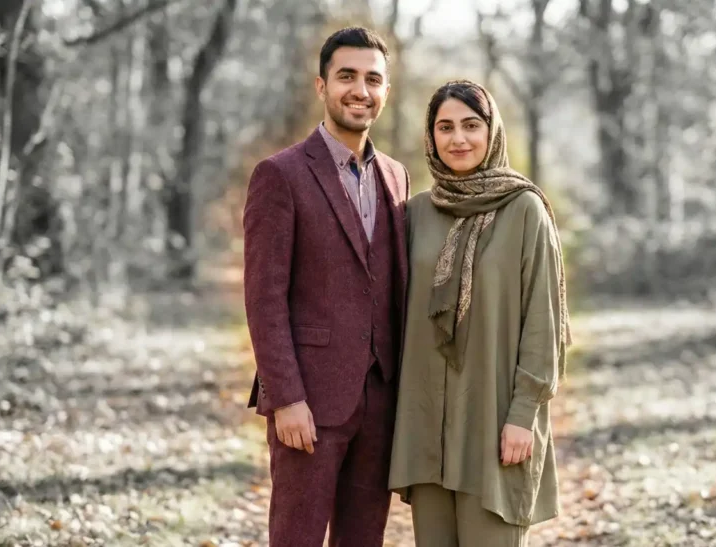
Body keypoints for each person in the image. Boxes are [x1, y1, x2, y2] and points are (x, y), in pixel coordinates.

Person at [242, 26, 411, 547]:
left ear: (385, 91)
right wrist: (286, 398)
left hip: (381, 400)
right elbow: (263, 298)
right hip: (308, 403)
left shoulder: (397, 176)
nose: (360, 90)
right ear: (322, 86)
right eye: (347, 76)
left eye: (372, 79)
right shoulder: (281, 175)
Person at [388, 79, 571, 546]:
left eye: (472, 125)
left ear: (493, 132)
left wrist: (524, 414)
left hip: (494, 421)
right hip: (426, 424)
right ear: (430, 138)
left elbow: (544, 322)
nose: (458, 139)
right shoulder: (414, 215)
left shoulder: (526, 210)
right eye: (445, 127)